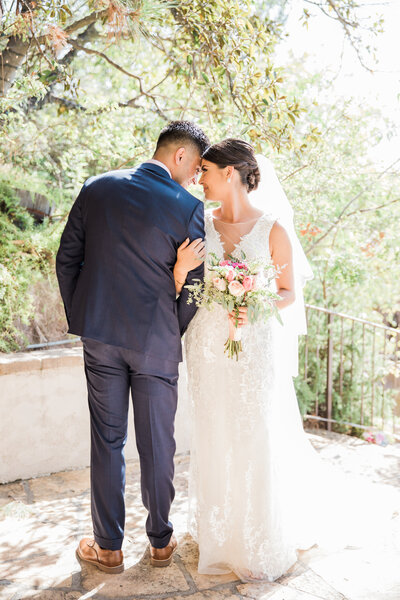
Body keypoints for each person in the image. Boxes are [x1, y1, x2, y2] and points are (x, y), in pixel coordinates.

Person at [177, 138, 336, 581]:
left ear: (230, 174)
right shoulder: (199, 223)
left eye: (205, 170)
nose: (199, 178)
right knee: (213, 431)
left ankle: (255, 539)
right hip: (208, 345)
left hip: (254, 346)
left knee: (251, 433)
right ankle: (218, 533)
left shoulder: (273, 229)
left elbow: (288, 293)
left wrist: (256, 303)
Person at [56, 121, 209, 574]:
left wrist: (85, 317)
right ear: (179, 156)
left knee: (107, 441)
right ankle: (161, 543)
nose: (197, 176)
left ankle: (108, 549)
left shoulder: (96, 187)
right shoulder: (188, 207)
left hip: (100, 338)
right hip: (155, 342)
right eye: (197, 166)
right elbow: (195, 288)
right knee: (158, 441)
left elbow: (67, 259)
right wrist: (169, 330)